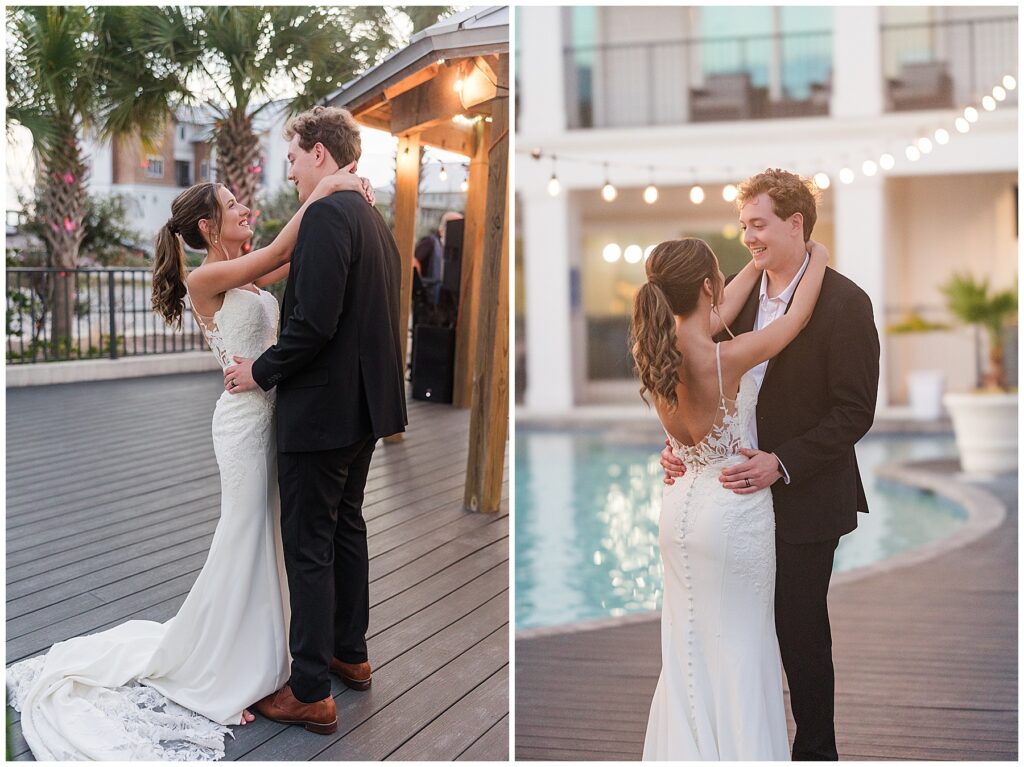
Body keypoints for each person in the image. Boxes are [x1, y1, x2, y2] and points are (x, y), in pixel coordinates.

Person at [5, 166, 373, 760]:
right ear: (208, 225)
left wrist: (341, 201)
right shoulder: (210, 277)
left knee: (268, 541)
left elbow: (289, 256)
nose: (246, 209)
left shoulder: (247, 277)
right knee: (245, 533)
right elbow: (284, 246)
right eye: (234, 204)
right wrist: (327, 188)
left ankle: (264, 652)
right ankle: (227, 661)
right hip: (242, 427)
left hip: (271, 420)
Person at [658, 169, 880, 760]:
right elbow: (693, 387)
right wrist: (684, 448)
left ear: (795, 223)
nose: (748, 238)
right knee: (728, 634)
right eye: (742, 226)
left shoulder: (846, 302)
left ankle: (816, 754)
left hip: (803, 499)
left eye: (757, 224)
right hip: (726, 505)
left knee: (801, 635)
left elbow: (855, 411)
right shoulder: (730, 295)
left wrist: (781, 463)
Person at [223, 105, 408, 736]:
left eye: (296, 158)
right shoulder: (370, 218)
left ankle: (308, 691)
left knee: (308, 545)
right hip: (361, 412)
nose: (292, 171)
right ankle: (348, 653)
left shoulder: (331, 214)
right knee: (345, 530)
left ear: (321, 154)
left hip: (322, 412)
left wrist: (260, 372)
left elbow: (313, 323)